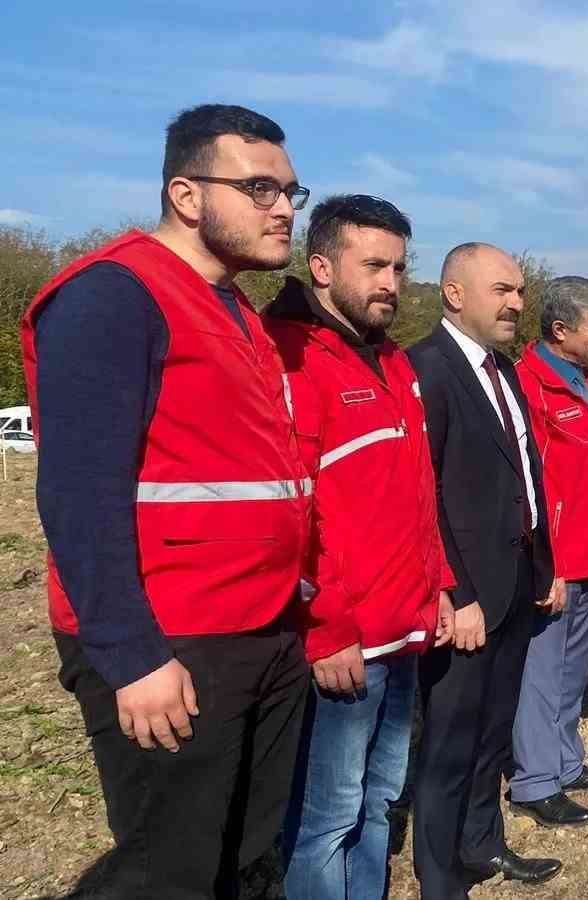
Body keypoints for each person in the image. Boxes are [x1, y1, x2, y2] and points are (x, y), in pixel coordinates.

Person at [20, 104, 314, 898]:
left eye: (291, 190)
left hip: (261, 626)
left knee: (247, 859)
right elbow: (79, 495)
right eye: (258, 188)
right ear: (187, 196)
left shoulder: (233, 309)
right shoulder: (112, 296)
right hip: (174, 641)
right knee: (167, 875)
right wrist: (130, 655)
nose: (284, 207)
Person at [265, 195, 457, 898]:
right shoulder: (291, 359)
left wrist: (434, 584)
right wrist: (326, 627)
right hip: (345, 643)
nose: (391, 282)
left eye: (400, 267)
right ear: (320, 266)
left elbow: (413, 492)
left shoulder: (393, 363)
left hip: (402, 631)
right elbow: (294, 514)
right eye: (373, 264)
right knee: (327, 817)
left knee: (378, 801)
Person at [407, 243, 563, 893]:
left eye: (520, 291)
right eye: (502, 289)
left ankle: (481, 843)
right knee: (447, 746)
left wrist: (546, 566)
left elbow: (526, 476)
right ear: (454, 292)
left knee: (492, 734)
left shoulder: (503, 372)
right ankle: (442, 881)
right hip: (468, 598)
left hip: (518, 583)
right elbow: (424, 492)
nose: (517, 303)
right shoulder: (427, 369)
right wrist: (455, 591)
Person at [506, 276, 588, 826]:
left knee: (573, 669)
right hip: (555, 564)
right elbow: (531, 484)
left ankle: (566, 762)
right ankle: (534, 780)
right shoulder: (529, 388)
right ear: (561, 331)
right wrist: (544, 563)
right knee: (542, 670)